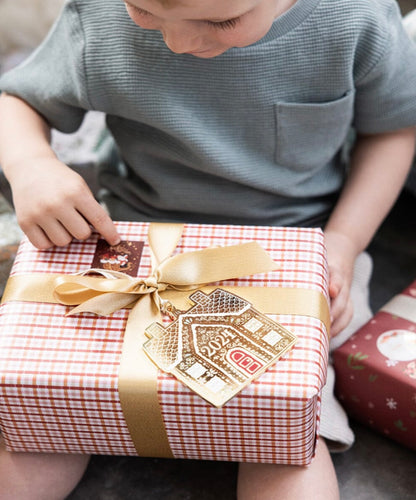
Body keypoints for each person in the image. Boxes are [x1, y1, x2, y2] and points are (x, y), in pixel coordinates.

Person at [0, 0, 416, 498]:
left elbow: (394, 128)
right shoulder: (97, 15)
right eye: (144, 11)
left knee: (289, 451)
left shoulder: (355, 19)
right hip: (132, 241)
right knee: (36, 426)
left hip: (299, 249)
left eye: (220, 22)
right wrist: (29, 164)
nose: (178, 43)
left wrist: (345, 242)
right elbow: (18, 101)